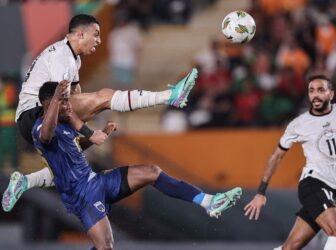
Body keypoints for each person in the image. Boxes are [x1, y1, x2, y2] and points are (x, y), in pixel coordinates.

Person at [2, 14, 198, 212]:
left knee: (69, 162)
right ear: (80, 34)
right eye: (95, 34)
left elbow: (75, 97)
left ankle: (25, 181)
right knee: (105, 97)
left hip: (36, 118)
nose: (99, 40)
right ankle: (170, 96)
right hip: (34, 115)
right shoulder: (61, 57)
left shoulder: (72, 58)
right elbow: (57, 102)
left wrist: (87, 118)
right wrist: (89, 132)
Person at [32, 81, 242, 249]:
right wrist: (58, 103)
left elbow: (74, 147)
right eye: (64, 102)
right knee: (105, 247)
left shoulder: (66, 121)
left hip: (96, 180)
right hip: (82, 195)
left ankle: (208, 201)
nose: (70, 106)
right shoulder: (41, 128)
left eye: (68, 101)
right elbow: (46, 135)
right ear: (50, 106)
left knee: (152, 172)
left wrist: (101, 133)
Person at [244, 75, 336, 250]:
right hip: (313, 184)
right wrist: (261, 191)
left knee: (290, 247)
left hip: (333, 189)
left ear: (331, 94)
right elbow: (276, 156)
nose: (315, 95)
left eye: (321, 90)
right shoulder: (299, 124)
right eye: (311, 90)